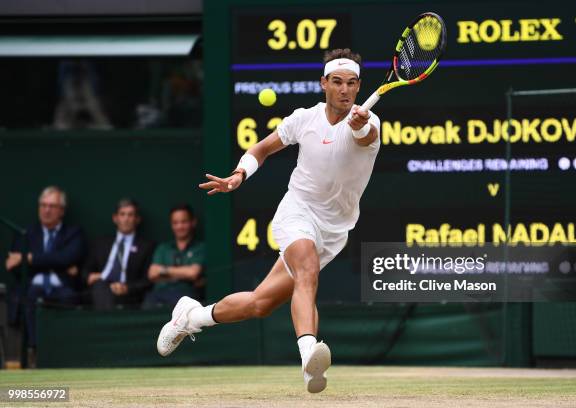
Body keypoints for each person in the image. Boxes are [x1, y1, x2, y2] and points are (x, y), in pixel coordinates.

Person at [157, 48, 380, 393]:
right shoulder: (303, 119)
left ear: (358, 86)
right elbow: (260, 149)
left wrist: (361, 126)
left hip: (335, 231)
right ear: (324, 84)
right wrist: (238, 175)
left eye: (351, 83)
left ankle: (190, 317)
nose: (344, 90)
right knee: (307, 270)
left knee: (259, 304)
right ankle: (309, 357)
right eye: (336, 82)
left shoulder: (369, 123)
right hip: (297, 212)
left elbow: (367, 137)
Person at [5, 186, 85, 367]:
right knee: (30, 296)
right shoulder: (25, 233)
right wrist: (60, 264)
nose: (47, 210)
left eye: (52, 206)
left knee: (68, 297)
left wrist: (29, 258)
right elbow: (15, 268)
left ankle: (64, 355)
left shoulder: (74, 232)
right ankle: (35, 351)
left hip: (63, 290)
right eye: (43, 205)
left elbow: (69, 257)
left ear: (62, 211)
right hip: (33, 289)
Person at [83, 198, 155, 310]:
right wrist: (89, 276)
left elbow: (147, 280)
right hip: (100, 289)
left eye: (130, 215)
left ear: (137, 219)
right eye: (122, 214)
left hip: (129, 294)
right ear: (115, 218)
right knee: (100, 286)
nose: (126, 219)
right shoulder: (100, 243)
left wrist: (127, 288)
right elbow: (85, 271)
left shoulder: (146, 246)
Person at [142, 204, 206, 308]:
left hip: (186, 297)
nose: (179, 226)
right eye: (175, 223)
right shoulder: (163, 248)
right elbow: (152, 273)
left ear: (193, 222)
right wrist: (183, 274)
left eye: (183, 222)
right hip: (157, 297)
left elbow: (193, 273)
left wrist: (163, 271)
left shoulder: (200, 247)